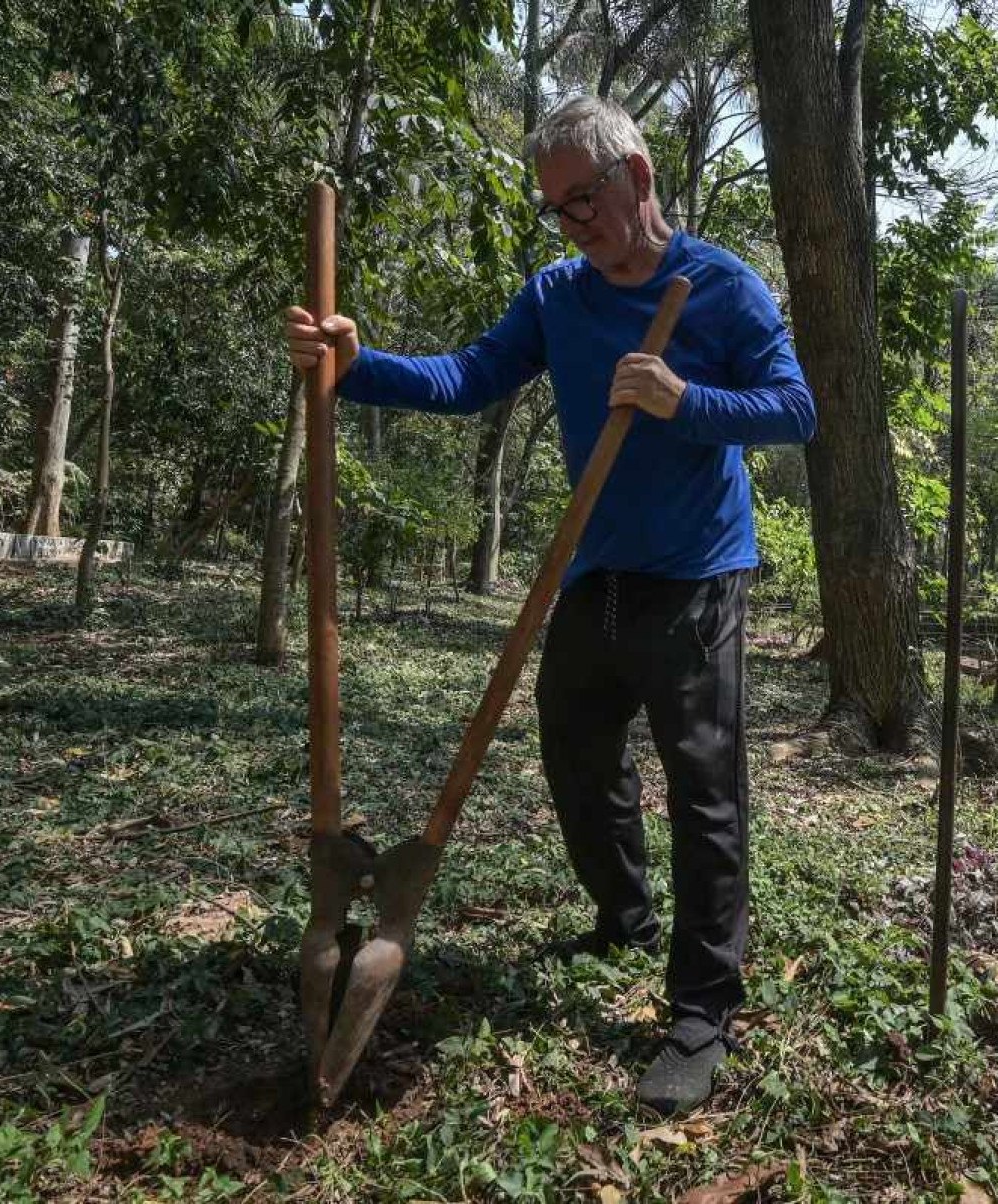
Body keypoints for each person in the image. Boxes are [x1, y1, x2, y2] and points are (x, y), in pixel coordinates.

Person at [284, 95, 816, 1117]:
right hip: (593, 572)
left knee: (705, 794)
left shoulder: (723, 290)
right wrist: (356, 368)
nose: (577, 225)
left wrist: (685, 400)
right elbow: (471, 376)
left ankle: (701, 1011)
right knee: (577, 760)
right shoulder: (558, 296)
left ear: (640, 176)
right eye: (559, 210)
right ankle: (623, 914)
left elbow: (796, 409)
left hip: (697, 577)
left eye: (588, 198)